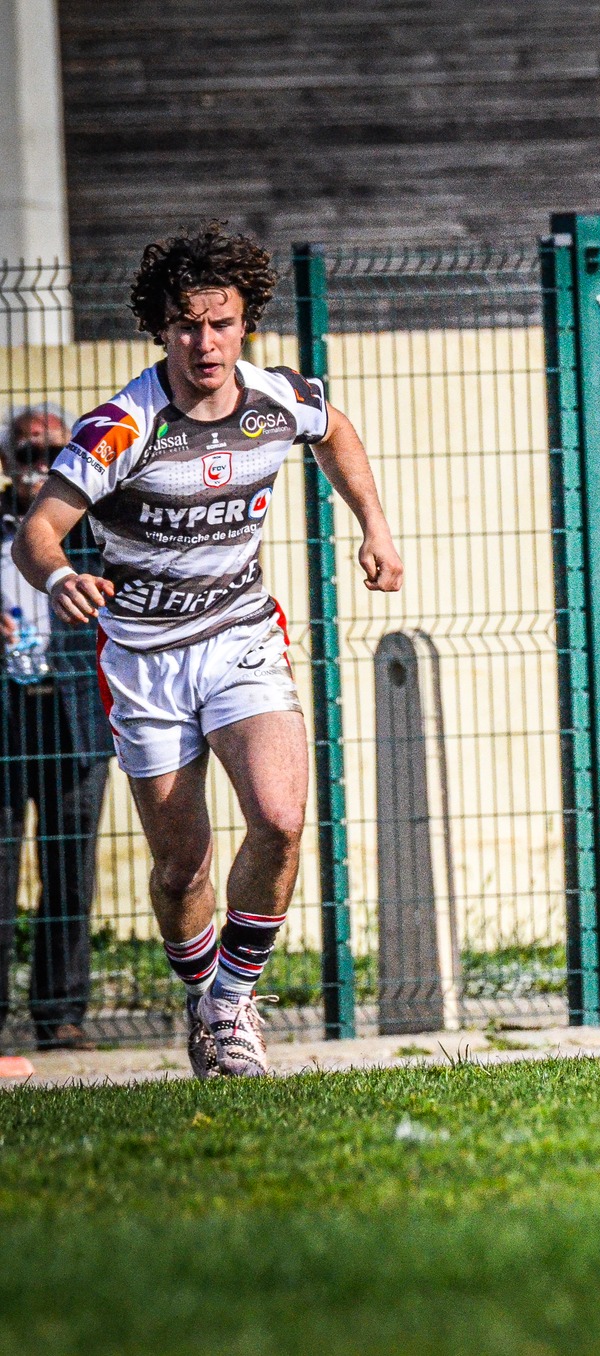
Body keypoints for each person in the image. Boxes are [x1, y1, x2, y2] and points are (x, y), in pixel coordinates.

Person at [11, 223, 405, 1077]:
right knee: (180, 865)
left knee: (280, 817)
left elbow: (334, 429)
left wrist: (373, 525)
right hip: (145, 661)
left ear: (245, 323)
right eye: (187, 324)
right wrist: (57, 580)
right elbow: (38, 532)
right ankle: (201, 992)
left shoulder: (275, 398)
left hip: (240, 640)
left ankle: (229, 1008)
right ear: (162, 327)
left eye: (220, 323)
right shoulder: (122, 425)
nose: (205, 342)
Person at [1, 406, 115, 1050]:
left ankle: (61, 1016)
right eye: (27, 454)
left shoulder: (90, 527)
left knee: (69, 869)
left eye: (53, 455)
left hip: (74, 715)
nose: (40, 467)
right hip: (6, 713)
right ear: (9, 460)